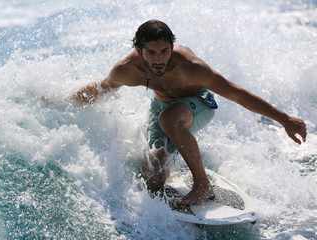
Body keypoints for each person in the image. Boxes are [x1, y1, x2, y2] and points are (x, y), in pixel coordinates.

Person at [69, 19, 307, 205]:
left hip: (198, 103)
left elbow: (237, 94)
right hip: (161, 109)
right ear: (139, 50)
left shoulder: (191, 67)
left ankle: (202, 185)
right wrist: (64, 104)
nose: (159, 58)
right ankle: (172, 158)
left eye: (165, 50)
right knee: (153, 178)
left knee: (170, 118)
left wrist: (284, 119)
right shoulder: (125, 70)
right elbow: (100, 89)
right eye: (151, 52)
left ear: (172, 46)